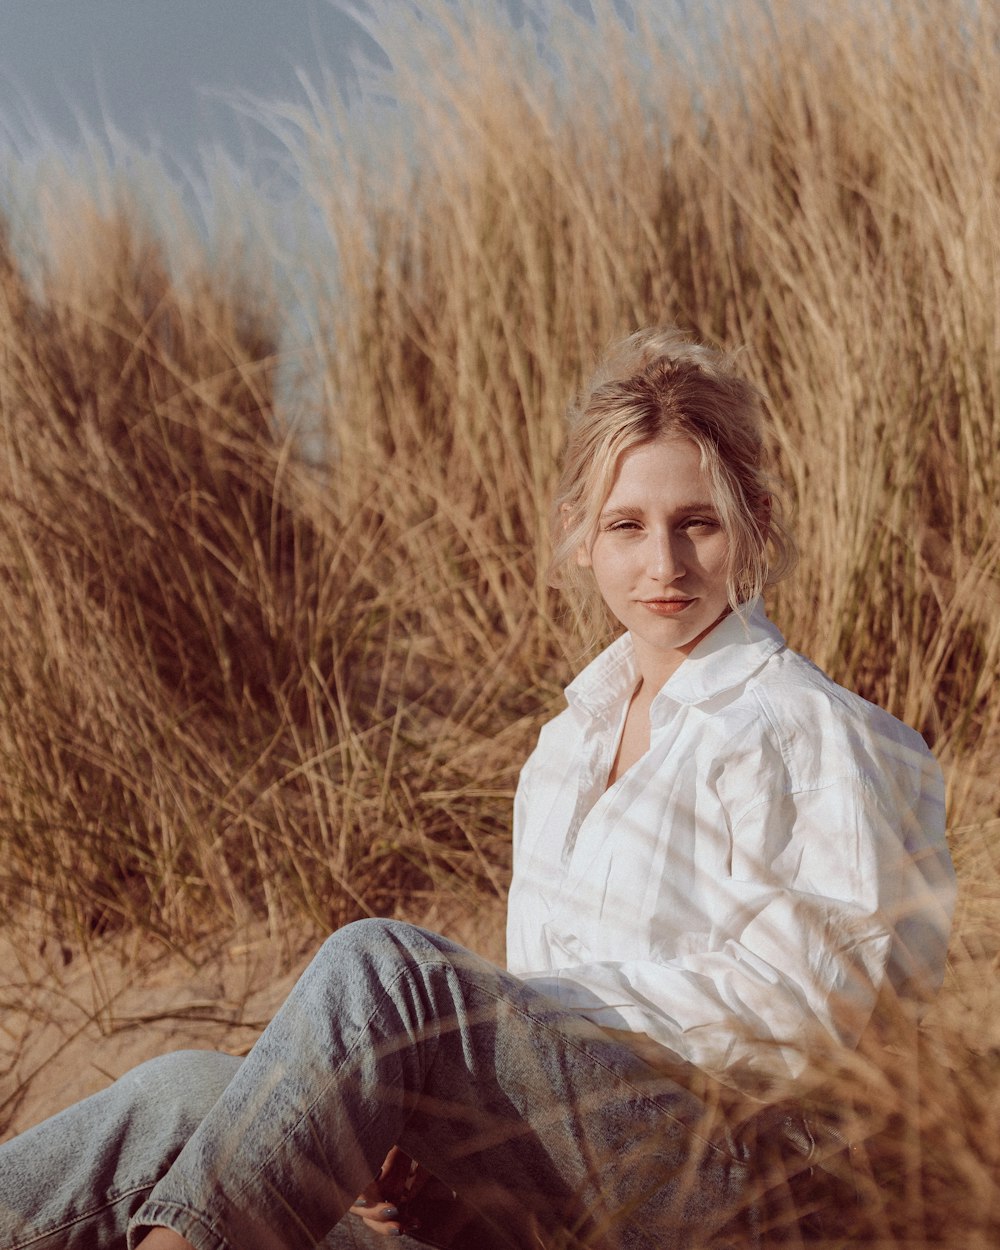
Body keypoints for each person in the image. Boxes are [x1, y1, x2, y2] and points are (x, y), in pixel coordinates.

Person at [0, 327, 955, 1250]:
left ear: (751, 529)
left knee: (386, 975)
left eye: (696, 523)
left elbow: (805, 1012)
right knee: (187, 1095)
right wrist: (427, 1130)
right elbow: (530, 1060)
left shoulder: (805, 726)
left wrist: (485, 1029)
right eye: (627, 526)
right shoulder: (561, 753)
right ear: (580, 539)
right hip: (557, 1212)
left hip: (746, 1194)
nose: (663, 564)